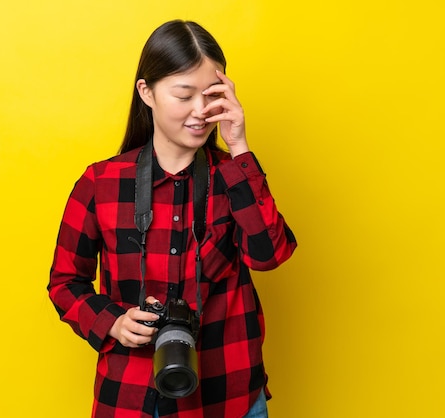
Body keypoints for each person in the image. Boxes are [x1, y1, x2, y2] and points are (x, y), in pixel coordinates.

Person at [48, 19, 297, 418]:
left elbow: (270, 255)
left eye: (211, 96)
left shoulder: (232, 178)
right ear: (146, 92)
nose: (201, 112)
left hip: (230, 397)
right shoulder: (100, 183)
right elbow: (65, 283)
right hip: (133, 397)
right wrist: (113, 322)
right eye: (184, 95)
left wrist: (239, 147)